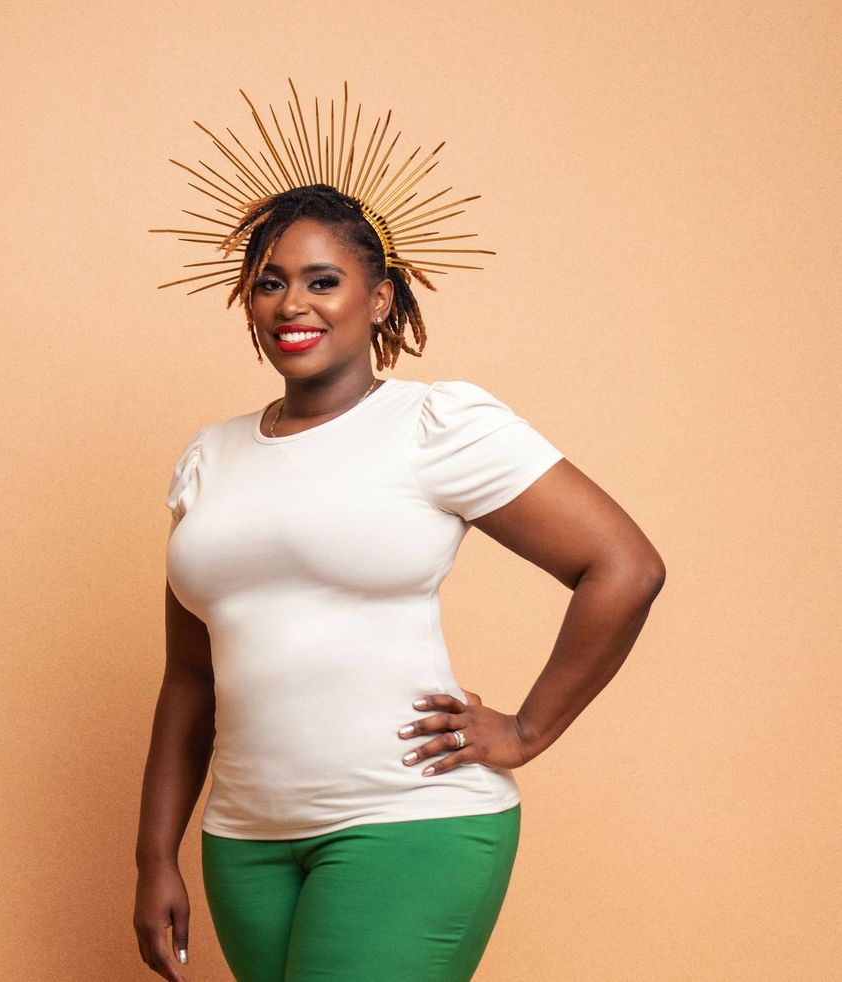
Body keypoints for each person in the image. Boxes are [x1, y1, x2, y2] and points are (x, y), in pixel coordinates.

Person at [133, 88, 665, 982]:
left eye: (322, 280)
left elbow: (625, 567)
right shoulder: (209, 458)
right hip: (246, 843)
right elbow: (191, 675)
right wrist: (155, 856)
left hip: (410, 823)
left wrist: (529, 729)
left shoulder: (435, 425)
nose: (290, 304)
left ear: (380, 301)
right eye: (269, 282)